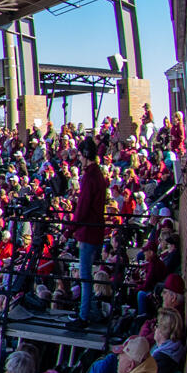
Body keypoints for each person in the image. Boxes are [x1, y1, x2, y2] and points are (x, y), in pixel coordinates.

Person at [64, 136, 109, 329]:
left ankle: (84, 317)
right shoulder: (96, 174)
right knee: (85, 276)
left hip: (89, 232)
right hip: (94, 231)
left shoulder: (90, 177)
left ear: (87, 155)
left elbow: (82, 209)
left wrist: (68, 230)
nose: (79, 159)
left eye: (81, 155)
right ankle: (91, 312)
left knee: (84, 276)